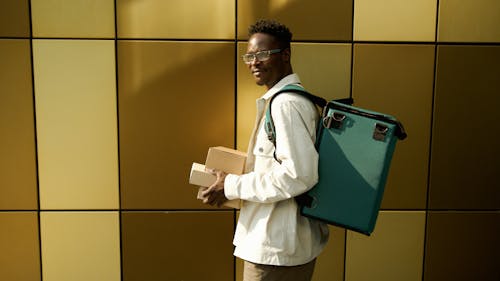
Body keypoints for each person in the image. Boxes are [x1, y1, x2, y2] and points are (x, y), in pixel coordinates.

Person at [201, 19, 329, 281]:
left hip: (276, 251)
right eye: (249, 55)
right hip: (278, 247)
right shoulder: (284, 102)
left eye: (262, 54)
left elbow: (298, 175)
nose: (253, 62)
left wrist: (231, 186)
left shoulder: (286, 105)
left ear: (285, 55)